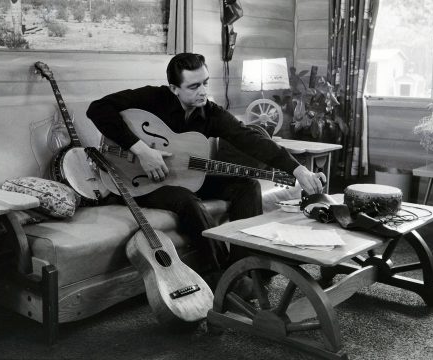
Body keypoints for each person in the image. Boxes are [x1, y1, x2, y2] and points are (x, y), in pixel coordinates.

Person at [86, 52, 326, 272]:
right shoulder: (153, 98)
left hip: (186, 176)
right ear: (174, 88)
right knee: (187, 201)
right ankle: (218, 272)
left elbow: (250, 139)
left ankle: (243, 268)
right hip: (140, 180)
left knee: (247, 186)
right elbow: (97, 109)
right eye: (194, 86)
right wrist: (141, 150)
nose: (203, 91)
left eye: (205, 83)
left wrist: (298, 169)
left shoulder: (210, 112)